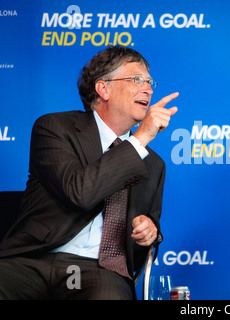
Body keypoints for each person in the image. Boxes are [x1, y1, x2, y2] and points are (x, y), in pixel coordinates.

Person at [0, 46, 179, 299]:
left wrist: (149, 233)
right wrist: (139, 140)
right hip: (33, 261)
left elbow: (137, 253)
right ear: (103, 88)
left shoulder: (154, 164)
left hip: (97, 271)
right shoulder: (55, 129)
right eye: (136, 79)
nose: (148, 88)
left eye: (150, 82)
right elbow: (79, 192)